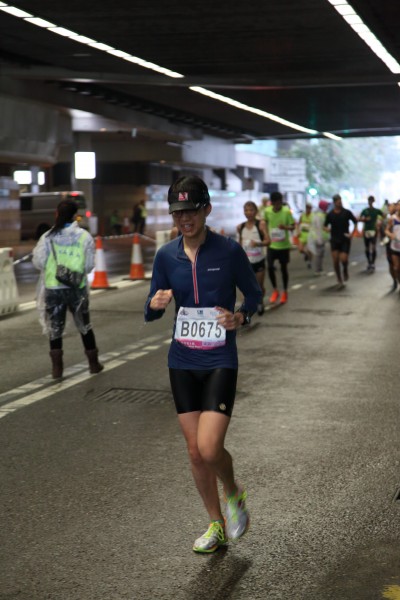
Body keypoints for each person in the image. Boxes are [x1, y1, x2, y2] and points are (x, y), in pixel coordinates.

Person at [144, 175, 262, 554]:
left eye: (191, 211)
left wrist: (240, 316)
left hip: (219, 358)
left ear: (206, 209)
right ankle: (215, 524)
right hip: (182, 360)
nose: (184, 219)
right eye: (177, 213)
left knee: (210, 448)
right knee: (195, 452)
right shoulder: (166, 256)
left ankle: (233, 492)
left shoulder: (228, 251)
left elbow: (254, 295)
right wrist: (155, 304)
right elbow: (150, 309)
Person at [32, 200, 104, 379]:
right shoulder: (84, 236)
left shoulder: (47, 237)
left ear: (57, 214)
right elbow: (89, 266)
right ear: (75, 216)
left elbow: (39, 262)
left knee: (55, 328)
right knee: (84, 326)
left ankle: (57, 369)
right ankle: (93, 364)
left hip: (53, 288)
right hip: (77, 288)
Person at [263, 190, 295, 304]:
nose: (278, 205)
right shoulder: (267, 211)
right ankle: (275, 290)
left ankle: (285, 291)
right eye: (275, 203)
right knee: (270, 267)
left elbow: (293, 226)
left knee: (283, 269)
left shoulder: (286, 211)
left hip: (284, 246)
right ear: (272, 203)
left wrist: (285, 227)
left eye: (279, 203)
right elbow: (264, 224)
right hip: (272, 245)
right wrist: (265, 235)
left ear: (281, 202)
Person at [237, 201, 267, 315]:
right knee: (246, 287)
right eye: (246, 210)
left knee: (259, 286)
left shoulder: (261, 224)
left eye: (251, 210)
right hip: (246, 263)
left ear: (256, 211)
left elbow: (268, 241)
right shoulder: (240, 227)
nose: (248, 212)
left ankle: (260, 301)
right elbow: (239, 244)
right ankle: (247, 309)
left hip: (259, 261)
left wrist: (258, 243)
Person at [324, 194, 357, 289]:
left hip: (344, 239)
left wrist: (352, 234)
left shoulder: (347, 212)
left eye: (341, 201)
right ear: (334, 203)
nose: (340, 203)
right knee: (335, 260)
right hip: (334, 239)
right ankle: (339, 278)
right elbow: (325, 225)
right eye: (338, 202)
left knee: (344, 259)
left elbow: (355, 222)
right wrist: (327, 229)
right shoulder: (330, 214)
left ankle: (345, 269)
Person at [358, 195, 383, 271]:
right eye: (369, 200)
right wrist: (364, 219)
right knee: (367, 247)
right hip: (366, 230)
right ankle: (369, 262)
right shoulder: (365, 210)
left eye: (371, 200)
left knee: (373, 247)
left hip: (373, 230)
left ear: (373, 201)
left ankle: (373, 263)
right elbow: (359, 218)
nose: (370, 202)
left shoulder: (376, 211)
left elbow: (383, 216)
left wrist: (379, 223)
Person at [307, 199, 330, 274]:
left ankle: (319, 269)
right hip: (318, 237)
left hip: (318, 237)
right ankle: (318, 270)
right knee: (319, 254)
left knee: (320, 254)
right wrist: (319, 239)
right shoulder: (320, 216)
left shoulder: (318, 214)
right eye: (326, 206)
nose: (327, 207)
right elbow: (319, 228)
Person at [384, 201, 400, 291]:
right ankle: (395, 280)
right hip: (393, 246)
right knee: (395, 267)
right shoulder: (391, 219)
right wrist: (391, 235)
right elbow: (386, 230)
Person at [296, 203, 313, 268]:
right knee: (300, 249)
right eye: (307, 208)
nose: (308, 209)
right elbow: (298, 224)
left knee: (309, 250)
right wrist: (298, 231)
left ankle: (309, 262)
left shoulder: (313, 216)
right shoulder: (302, 215)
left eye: (309, 208)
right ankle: (305, 254)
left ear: (311, 209)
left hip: (310, 235)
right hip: (303, 234)